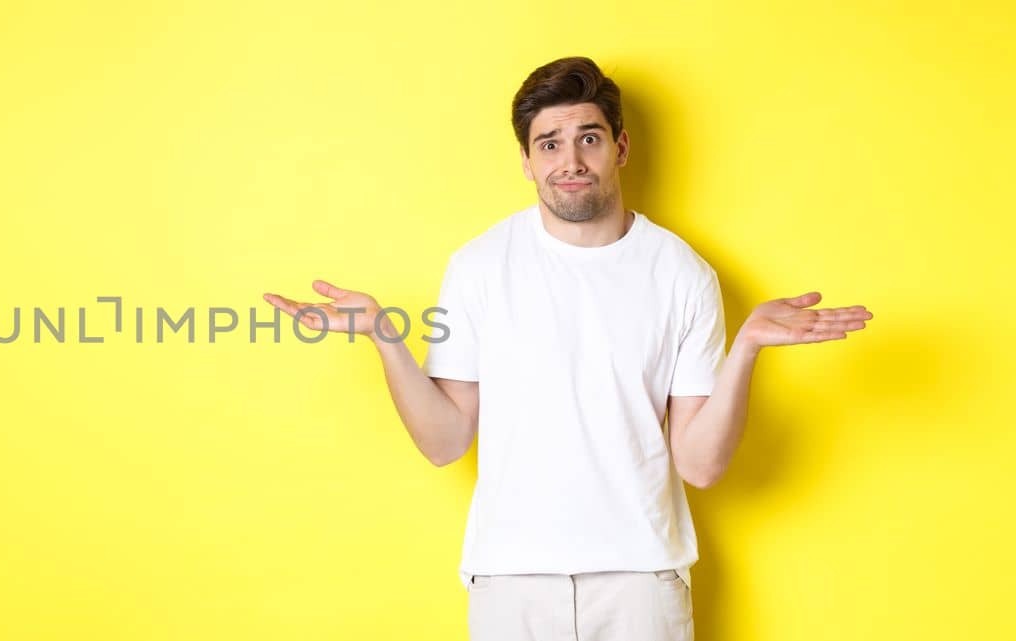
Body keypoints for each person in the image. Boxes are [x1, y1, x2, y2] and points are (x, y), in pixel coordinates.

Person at [261, 56, 872, 641]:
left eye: (590, 138)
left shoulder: (682, 274)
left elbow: (701, 464)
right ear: (527, 161)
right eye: (549, 143)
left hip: (641, 581)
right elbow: (445, 442)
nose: (570, 160)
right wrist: (384, 338)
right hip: (511, 580)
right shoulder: (478, 266)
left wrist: (745, 351)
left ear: (621, 147)